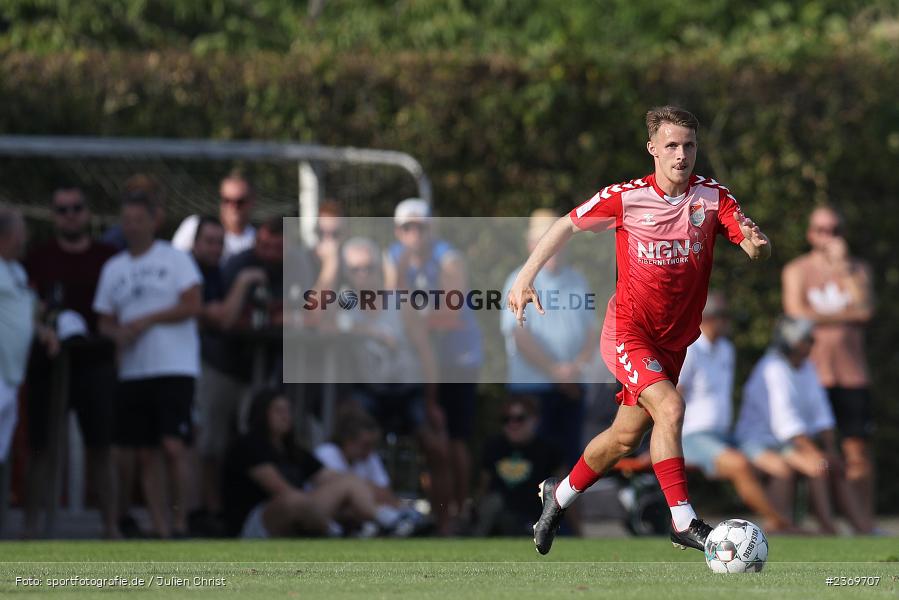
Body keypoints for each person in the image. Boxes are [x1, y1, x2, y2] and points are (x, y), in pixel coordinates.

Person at [507, 105, 772, 555]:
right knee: (670, 408)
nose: (681, 155)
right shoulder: (627, 197)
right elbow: (567, 223)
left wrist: (757, 244)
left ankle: (559, 495)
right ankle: (683, 520)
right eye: (671, 145)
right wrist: (525, 276)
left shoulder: (712, 197)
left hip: (673, 341)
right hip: (628, 332)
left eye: (689, 145)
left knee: (624, 437)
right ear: (653, 149)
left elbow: (749, 244)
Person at [93, 190, 202, 538]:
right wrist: (117, 333)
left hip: (175, 366)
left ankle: (182, 521)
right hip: (134, 370)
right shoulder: (114, 268)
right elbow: (103, 320)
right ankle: (160, 528)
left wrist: (149, 320)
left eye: (138, 220)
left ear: (154, 221)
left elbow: (192, 304)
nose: (132, 227)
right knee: (144, 453)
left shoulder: (175, 259)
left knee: (173, 446)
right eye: (126, 221)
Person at [337, 237, 452, 534]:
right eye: (356, 270)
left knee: (436, 445)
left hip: (408, 391)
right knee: (347, 438)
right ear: (347, 273)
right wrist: (368, 330)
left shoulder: (401, 306)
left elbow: (428, 357)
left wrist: (432, 403)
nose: (364, 275)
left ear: (380, 269)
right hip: (371, 393)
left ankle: (445, 525)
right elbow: (319, 322)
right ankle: (365, 518)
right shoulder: (345, 306)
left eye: (370, 268)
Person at [23, 186, 119, 539]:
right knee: (41, 448)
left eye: (76, 207)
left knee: (101, 447)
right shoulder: (37, 258)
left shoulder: (108, 257)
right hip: (48, 362)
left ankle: (111, 527)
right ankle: (33, 528)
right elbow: (27, 307)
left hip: (95, 362)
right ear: (53, 215)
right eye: (62, 209)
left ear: (87, 212)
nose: (70, 214)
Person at [385, 198, 483, 529]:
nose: (414, 234)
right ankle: (442, 514)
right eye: (406, 228)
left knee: (454, 439)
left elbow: (451, 311)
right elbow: (390, 300)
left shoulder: (448, 258)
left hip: (456, 359)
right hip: (422, 361)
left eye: (420, 227)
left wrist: (416, 319)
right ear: (397, 231)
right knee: (433, 438)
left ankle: (459, 511)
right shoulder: (395, 258)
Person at [782, 206, 875, 532]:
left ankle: (865, 527)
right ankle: (817, 525)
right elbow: (796, 315)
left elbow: (865, 311)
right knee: (814, 454)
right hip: (811, 377)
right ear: (810, 234)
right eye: (821, 230)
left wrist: (845, 270)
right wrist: (846, 314)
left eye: (834, 230)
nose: (828, 237)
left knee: (856, 454)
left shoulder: (857, 270)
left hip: (852, 376)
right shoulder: (797, 270)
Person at [735, 316, 872, 534]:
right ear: (790, 342)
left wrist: (830, 451)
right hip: (757, 441)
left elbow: (822, 415)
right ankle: (811, 527)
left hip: (786, 443)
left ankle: (863, 528)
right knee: (817, 466)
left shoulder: (807, 366)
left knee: (833, 465)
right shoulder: (772, 368)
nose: (812, 342)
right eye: (807, 339)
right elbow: (786, 425)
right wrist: (821, 455)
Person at [679, 292, 796, 533]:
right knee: (741, 464)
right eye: (724, 316)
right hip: (692, 436)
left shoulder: (726, 350)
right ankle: (786, 525)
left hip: (724, 436)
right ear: (707, 318)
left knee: (781, 465)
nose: (729, 321)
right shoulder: (690, 350)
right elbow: (674, 396)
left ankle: (776, 525)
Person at [221, 388, 408, 538]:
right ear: (262, 413)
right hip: (256, 521)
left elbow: (330, 478)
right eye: (278, 411)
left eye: (288, 411)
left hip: (303, 511)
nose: (286, 416)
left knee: (348, 481)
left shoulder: (294, 450)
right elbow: (280, 490)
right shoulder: (249, 445)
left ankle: (392, 520)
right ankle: (335, 531)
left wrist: (356, 492)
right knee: (293, 499)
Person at [501, 208, 598, 466]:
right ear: (533, 245)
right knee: (533, 466)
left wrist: (573, 370)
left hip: (571, 390)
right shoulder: (517, 280)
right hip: (532, 391)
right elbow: (519, 336)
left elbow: (591, 334)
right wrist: (556, 371)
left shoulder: (578, 281)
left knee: (572, 465)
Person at [190, 216, 266, 518]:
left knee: (222, 446)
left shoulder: (218, 273)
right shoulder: (192, 271)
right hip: (205, 366)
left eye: (219, 242)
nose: (214, 248)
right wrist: (245, 281)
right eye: (208, 241)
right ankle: (201, 511)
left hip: (228, 366)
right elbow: (223, 318)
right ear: (195, 243)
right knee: (206, 445)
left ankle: (219, 510)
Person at [0, 204, 57, 533]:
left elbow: (27, 313)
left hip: (10, 378)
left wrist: (44, 330)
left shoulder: (18, 273)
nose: (26, 238)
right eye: (21, 231)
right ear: (7, 236)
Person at [314, 411, 421, 536]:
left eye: (373, 445)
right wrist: (360, 488)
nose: (369, 451)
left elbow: (386, 494)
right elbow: (336, 493)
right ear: (348, 440)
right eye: (365, 445)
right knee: (350, 488)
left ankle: (392, 521)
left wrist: (362, 492)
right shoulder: (326, 453)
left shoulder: (369, 456)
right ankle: (394, 521)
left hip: (357, 514)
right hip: (322, 512)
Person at [473, 396, 564, 537]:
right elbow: (483, 489)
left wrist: (577, 531)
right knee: (494, 503)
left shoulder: (549, 450)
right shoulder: (493, 447)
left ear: (535, 419)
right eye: (506, 419)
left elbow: (564, 493)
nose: (512, 424)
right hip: (496, 521)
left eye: (519, 419)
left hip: (531, 522)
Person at [172, 171, 257, 263]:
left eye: (240, 202)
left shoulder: (258, 241)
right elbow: (174, 262)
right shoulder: (194, 225)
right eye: (227, 200)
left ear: (252, 201)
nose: (233, 207)